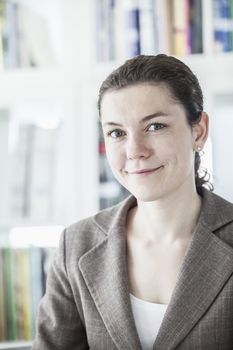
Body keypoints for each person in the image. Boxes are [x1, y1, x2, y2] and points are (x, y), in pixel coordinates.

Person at [32, 54, 233, 350]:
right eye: (117, 133)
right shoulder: (76, 245)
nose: (134, 150)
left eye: (155, 127)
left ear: (199, 131)